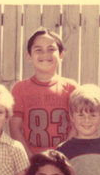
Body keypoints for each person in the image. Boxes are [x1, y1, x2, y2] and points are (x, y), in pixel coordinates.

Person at [10, 27, 77, 155]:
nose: (45, 54)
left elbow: (76, 126)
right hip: (31, 159)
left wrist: (62, 156)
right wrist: (30, 158)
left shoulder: (71, 88)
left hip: (64, 158)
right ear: (29, 56)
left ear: (61, 54)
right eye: (38, 50)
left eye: (51, 49)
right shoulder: (20, 89)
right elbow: (15, 129)